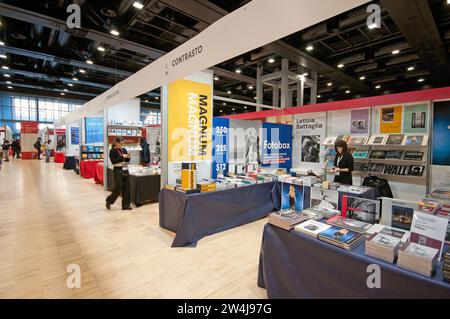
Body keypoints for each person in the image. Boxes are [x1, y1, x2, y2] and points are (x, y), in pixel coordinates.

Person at [106, 137, 132, 211]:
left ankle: (126, 205)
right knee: (119, 187)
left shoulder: (124, 150)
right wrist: (122, 157)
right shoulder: (112, 151)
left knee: (127, 188)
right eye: (120, 143)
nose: (121, 145)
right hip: (118, 170)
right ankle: (109, 200)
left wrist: (128, 157)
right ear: (116, 143)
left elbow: (126, 160)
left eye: (122, 143)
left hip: (125, 169)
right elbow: (113, 161)